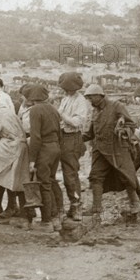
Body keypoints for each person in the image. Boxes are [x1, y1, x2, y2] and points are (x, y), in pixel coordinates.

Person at [83, 84, 140, 221]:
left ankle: (135, 205)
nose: (90, 100)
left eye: (92, 97)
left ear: (100, 96)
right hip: (100, 150)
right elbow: (91, 132)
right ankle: (96, 209)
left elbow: (131, 125)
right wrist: (77, 138)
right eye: (88, 98)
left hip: (117, 149)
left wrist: (122, 129)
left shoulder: (116, 106)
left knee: (126, 177)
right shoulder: (94, 111)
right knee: (95, 177)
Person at [0, 93, 30, 221]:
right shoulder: (9, 112)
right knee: (12, 178)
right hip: (20, 146)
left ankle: (9, 205)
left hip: (12, 147)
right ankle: (10, 205)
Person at [25, 84, 63, 232]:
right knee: (51, 181)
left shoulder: (35, 110)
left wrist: (32, 159)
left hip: (44, 150)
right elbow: (59, 132)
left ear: (32, 98)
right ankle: (55, 219)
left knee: (44, 185)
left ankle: (47, 222)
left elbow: (35, 137)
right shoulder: (53, 108)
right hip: (55, 148)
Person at [57, 72, 90, 221]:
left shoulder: (80, 101)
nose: (64, 90)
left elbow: (77, 122)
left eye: (66, 88)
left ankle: (76, 205)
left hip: (72, 138)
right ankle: (71, 205)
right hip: (63, 137)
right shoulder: (66, 99)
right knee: (65, 173)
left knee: (70, 173)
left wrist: (60, 115)